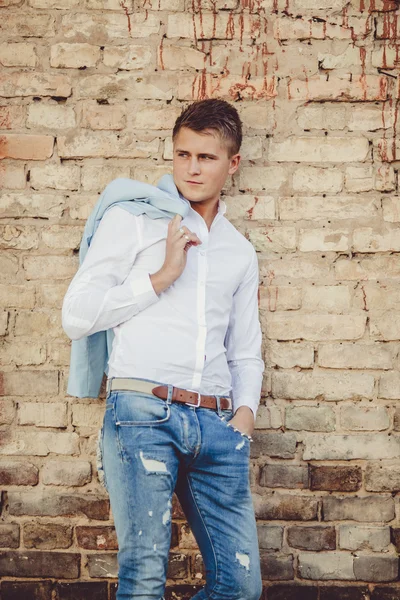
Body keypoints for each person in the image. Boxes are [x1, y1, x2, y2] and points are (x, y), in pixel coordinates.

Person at [62, 98, 264, 600]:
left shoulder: (239, 250)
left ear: (232, 163)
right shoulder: (134, 219)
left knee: (241, 587)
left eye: (207, 157)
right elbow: (76, 316)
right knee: (145, 578)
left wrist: (244, 418)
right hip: (143, 413)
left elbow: (245, 349)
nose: (192, 168)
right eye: (183, 154)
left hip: (218, 426)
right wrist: (162, 277)